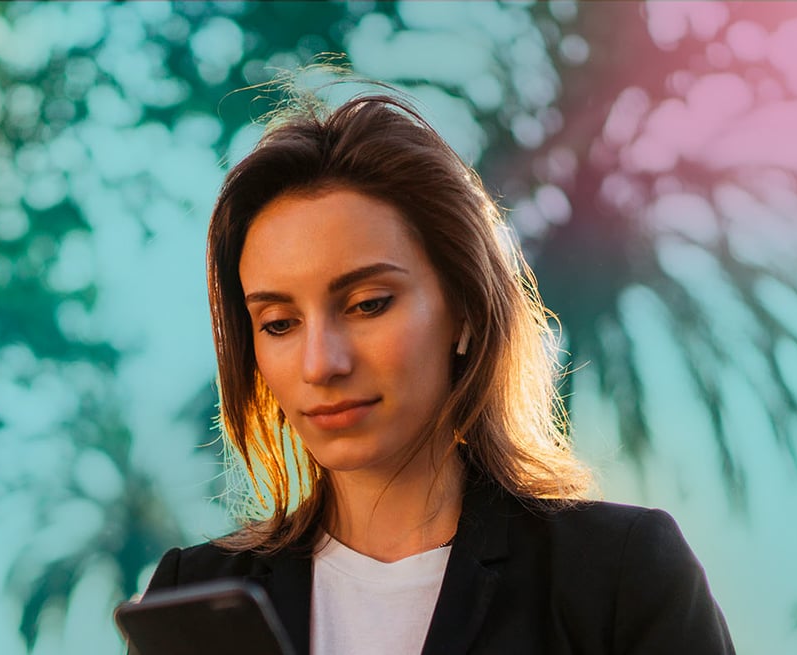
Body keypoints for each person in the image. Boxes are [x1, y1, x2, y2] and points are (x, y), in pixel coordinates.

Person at [142, 89, 735, 654]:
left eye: (368, 304)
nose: (321, 363)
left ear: (465, 311)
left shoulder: (618, 576)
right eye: (278, 323)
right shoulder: (190, 595)